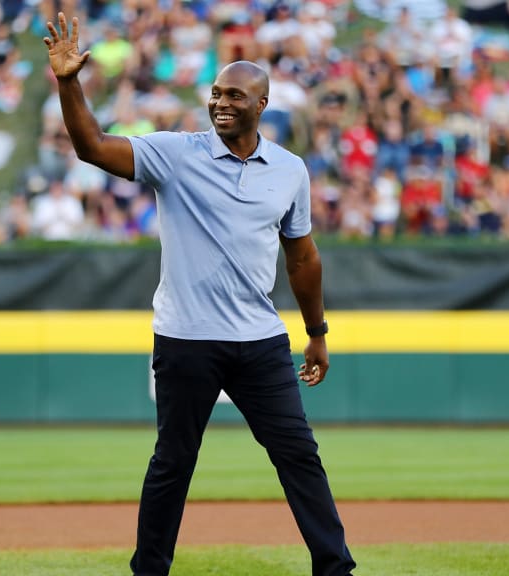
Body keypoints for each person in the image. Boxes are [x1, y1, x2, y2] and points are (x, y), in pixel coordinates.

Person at [43, 12, 356, 576]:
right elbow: (91, 146)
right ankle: (150, 570)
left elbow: (303, 257)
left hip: (260, 342)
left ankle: (335, 568)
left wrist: (316, 334)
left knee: (298, 455)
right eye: (215, 94)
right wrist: (69, 81)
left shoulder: (289, 170)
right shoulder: (176, 154)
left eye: (234, 95)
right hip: (186, 338)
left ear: (262, 105)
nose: (221, 103)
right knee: (174, 462)